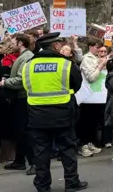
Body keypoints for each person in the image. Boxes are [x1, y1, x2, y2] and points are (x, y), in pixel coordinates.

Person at [21, 32, 88, 192]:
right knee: (67, 149)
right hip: (62, 113)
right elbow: (76, 84)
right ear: (56, 45)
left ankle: (42, 185)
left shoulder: (29, 65)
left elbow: (26, 86)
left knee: (41, 151)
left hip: (37, 114)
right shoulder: (65, 64)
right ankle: (71, 183)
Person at [0, 34, 36, 174]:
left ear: (20, 43)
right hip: (20, 97)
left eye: (14, 42)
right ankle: (19, 161)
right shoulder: (23, 56)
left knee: (24, 131)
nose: (11, 45)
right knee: (19, 130)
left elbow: (22, 80)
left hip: (23, 97)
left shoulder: (26, 58)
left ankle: (34, 163)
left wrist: (5, 82)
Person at [77, 39, 106, 157]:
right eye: (97, 47)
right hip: (88, 96)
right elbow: (91, 77)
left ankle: (89, 143)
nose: (99, 50)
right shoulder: (87, 59)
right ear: (90, 47)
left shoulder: (95, 58)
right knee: (86, 122)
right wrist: (100, 66)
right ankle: (82, 145)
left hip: (96, 95)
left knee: (93, 122)